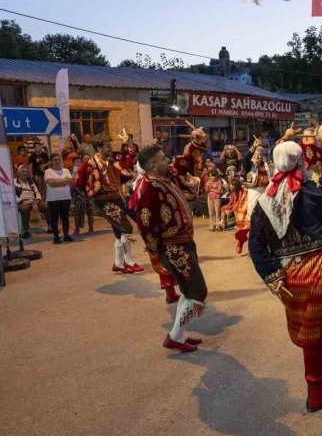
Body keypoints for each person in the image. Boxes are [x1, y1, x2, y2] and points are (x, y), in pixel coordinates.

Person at [248, 126, 322, 424]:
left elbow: (256, 245)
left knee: (310, 332)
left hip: (289, 274)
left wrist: (273, 277)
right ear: (301, 161)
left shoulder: (263, 201)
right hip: (319, 267)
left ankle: (316, 393)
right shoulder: (314, 190)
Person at [134, 146, 208, 353]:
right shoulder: (150, 187)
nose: (168, 161)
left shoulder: (164, 182)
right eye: (163, 159)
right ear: (154, 166)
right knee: (197, 291)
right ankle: (175, 336)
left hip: (183, 242)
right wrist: (156, 250)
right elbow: (146, 222)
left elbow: (189, 194)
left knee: (187, 289)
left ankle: (179, 334)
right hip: (172, 246)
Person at [73, 134, 142, 274]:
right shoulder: (89, 164)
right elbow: (77, 183)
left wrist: (128, 145)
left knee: (119, 231)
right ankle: (127, 261)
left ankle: (118, 264)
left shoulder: (111, 160)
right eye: (107, 146)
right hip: (103, 200)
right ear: (99, 148)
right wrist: (88, 192)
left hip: (116, 198)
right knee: (126, 228)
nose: (110, 148)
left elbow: (126, 164)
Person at [234, 145, 270, 254]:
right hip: (251, 192)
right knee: (247, 222)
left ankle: (262, 246)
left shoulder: (267, 166)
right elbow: (245, 159)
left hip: (264, 193)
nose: (258, 156)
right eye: (256, 154)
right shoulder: (249, 165)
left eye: (260, 154)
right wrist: (252, 148)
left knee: (264, 221)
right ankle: (242, 241)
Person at [44, 153, 73, 244]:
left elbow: (70, 181)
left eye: (58, 159)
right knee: (54, 218)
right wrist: (63, 182)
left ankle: (66, 235)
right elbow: (51, 183)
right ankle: (56, 236)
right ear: (51, 162)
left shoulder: (66, 170)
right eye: (55, 160)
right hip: (53, 199)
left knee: (65, 217)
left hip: (65, 197)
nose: (57, 161)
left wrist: (56, 182)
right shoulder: (48, 171)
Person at [14, 165, 42, 239]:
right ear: (18, 173)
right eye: (23, 172)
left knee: (46, 205)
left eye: (27, 172)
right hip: (21, 202)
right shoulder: (14, 182)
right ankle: (26, 230)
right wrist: (22, 201)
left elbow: (37, 192)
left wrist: (36, 200)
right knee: (25, 208)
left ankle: (50, 227)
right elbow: (13, 196)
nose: (25, 173)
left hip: (33, 201)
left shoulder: (31, 182)